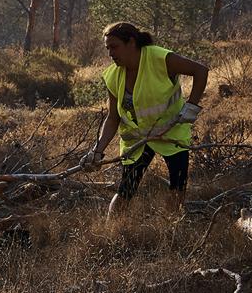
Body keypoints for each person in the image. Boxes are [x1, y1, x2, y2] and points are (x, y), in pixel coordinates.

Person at [82, 22, 209, 215]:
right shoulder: (113, 76)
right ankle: (111, 231)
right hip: (137, 140)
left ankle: (169, 231)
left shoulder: (160, 58)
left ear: (131, 42)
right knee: (126, 190)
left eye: (114, 47)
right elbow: (113, 117)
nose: (110, 54)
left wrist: (192, 107)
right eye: (107, 48)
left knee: (177, 186)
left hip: (171, 133)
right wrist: (97, 151)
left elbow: (201, 71)